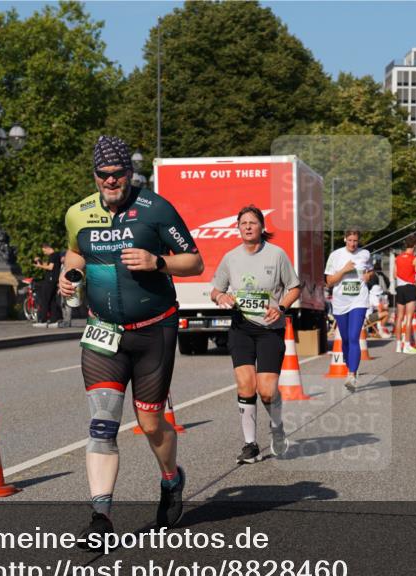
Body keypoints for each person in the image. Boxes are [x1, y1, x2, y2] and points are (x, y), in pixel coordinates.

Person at [58, 135, 203, 544]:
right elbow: (75, 254)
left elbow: (194, 261)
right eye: (102, 175)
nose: (110, 181)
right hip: (103, 334)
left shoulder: (155, 209)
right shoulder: (78, 213)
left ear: (130, 173)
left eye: (117, 174)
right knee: (102, 425)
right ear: (95, 176)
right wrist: (69, 278)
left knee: (151, 423)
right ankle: (100, 516)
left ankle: (171, 479)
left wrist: (158, 261)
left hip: (154, 330)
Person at [210, 205, 301, 464]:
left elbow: (294, 288)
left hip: (270, 328)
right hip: (241, 326)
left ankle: (277, 427)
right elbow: (216, 290)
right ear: (238, 228)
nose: (248, 227)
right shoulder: (230, 257)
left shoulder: (277, 255)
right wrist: (222, 296)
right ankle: (250, 445)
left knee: (267, 391)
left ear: (262, 227)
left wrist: (281, 307)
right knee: (245, 383)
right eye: (243, 223)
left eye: (252, 223)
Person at [324, 228, 373, 391]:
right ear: (345, 239)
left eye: (355, 241)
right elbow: (329, 281)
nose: (353, 243)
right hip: (340, 302)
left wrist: (368, 276)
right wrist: (344, 270)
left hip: (359, 300)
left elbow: (370, 269)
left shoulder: (365, 254)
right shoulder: (335, 255)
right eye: (350, 240)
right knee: (345, 339)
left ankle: (352, 374)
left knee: (354, 337)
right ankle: (349, 361)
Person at [393, 236, 416, 354]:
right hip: (410, 288)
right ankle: (407, 344)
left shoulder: (397, 258)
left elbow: (395, 275)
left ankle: (398, 345)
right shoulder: (415, 259)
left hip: (399, 288)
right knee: (409, 317)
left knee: (399, 318)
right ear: (414, 245)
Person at [33, 243, 63, 328]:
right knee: (52, 300)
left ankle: (43, 320)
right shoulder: (57, 255)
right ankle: (54, 320)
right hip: (54, 280)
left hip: (49, 280)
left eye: (44, 250)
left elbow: (50, 267)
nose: (44, 252)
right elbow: (50, 265)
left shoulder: (53, 256)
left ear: (47, 248)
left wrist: (40, 266)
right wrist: (41, 261)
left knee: (44, 299)